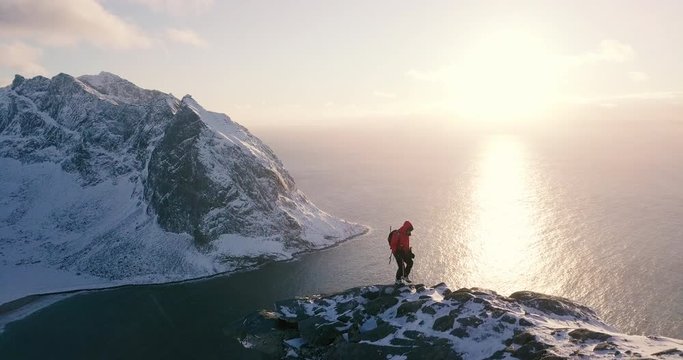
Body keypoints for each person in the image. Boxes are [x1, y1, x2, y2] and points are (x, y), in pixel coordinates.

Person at [390, 220, 414, 284]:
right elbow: (393, 245)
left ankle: (405, 276)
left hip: (403, 252)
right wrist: (396, 253)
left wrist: (410, 253)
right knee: (401, 266)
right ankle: (397, 280)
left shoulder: (406, 235)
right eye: (409, 230)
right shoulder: (397, 234)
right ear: (406, 228)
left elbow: (406, 246)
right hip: (397, 252)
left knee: (410, 262)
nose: (410, 232)